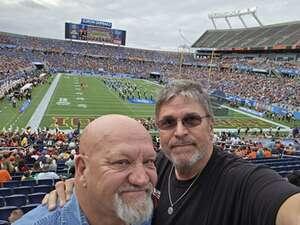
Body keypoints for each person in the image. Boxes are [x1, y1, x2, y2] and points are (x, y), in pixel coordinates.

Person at [44, 80, 300, 225]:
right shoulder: (156, 166)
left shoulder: (243, 181)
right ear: (159, 130)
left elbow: (288, 206)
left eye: (191, 120)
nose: (179, 132)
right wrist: (81, 184)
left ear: (211, 126)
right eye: (168, 123)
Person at [13, 115, 157, 225]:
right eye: (122, 162)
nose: (142, 179)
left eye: (149, 161)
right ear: (82, 169)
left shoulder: (147, 213)